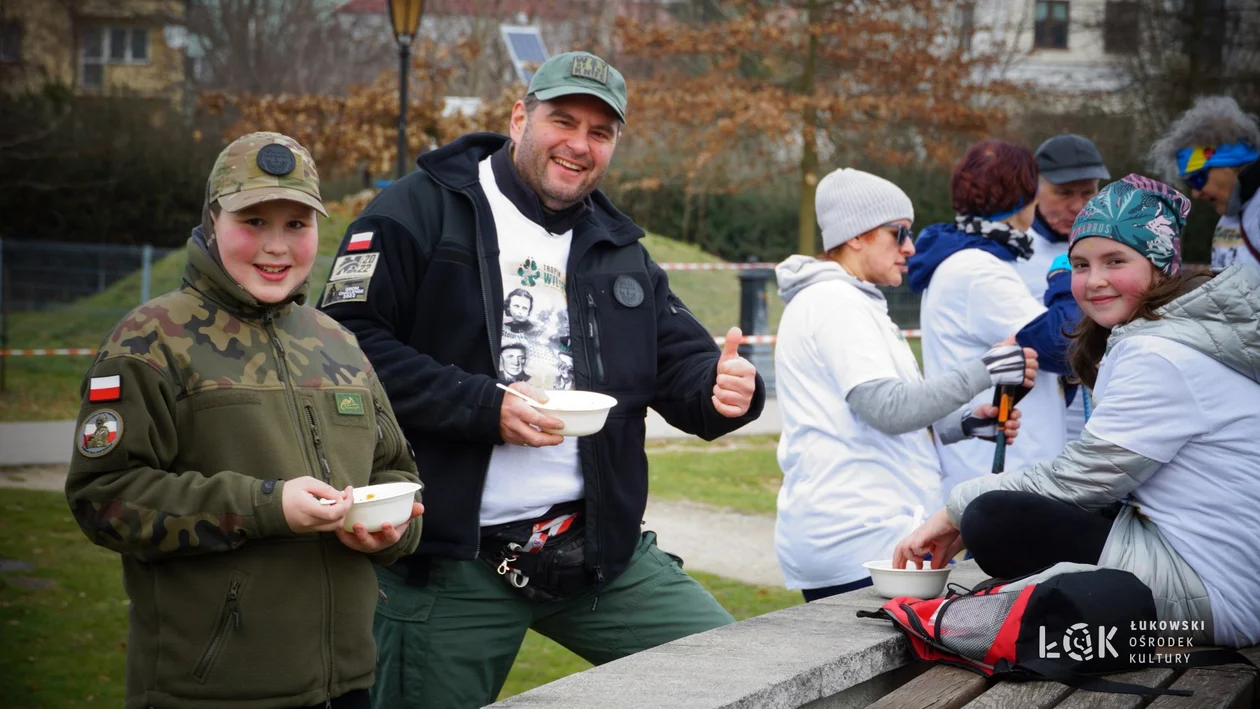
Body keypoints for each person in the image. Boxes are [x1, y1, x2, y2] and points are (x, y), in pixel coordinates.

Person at [318, 51, 766, 708]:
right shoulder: (417, 210)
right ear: (520, 116)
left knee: (748, 678)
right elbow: (345, 348)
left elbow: (684, 368)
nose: (579, 145)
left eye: (600, 131)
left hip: (597, 556)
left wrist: (727, 390)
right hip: (452, 558)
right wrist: (483, 405)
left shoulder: (620, 246)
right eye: (564, 120)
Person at [64, 132, 424, 708]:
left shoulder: (339, 342)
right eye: (253, 221)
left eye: (296, 225)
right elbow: (103, 498)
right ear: (212, 220)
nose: (276, 247)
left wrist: (393, 528)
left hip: (349, 685)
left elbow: (396, 473)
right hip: (212, 692)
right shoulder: (150, 341)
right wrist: (265, 506)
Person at [895, 175, 1260, 648]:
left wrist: (952, 513)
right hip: (1218, 576)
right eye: (1081, 264)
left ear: (1160, 266)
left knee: (991, 518)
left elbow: (1083, 481)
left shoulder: (1158, 352)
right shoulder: (1166, 335)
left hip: (1216, 601)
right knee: (1002, 519)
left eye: (1116, 261)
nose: (1095, 280)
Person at [773, 168, 1038, 602]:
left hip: (874, 538)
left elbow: (878, 415)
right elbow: (890, 410)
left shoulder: (854, 301)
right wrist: (987, 368)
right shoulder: (834, 303)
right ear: (856, 236)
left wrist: (967, 425)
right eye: (898, 233)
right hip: (860, 541)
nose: (910, 248)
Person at [907, 140, 1076, 495]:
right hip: (1001, 475)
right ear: (1026, 198)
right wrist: (1066, 280)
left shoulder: (971, 256)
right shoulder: (978, 270)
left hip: (994, 467)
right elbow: (1062, 342)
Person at [1023, 134, 1110, 440]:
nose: (1077, 205)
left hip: (1104, 425)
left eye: (1088, 192)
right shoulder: (1013, 253)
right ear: (1033, 188)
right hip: (1034, 428)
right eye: (1063, 193)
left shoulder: (1116, 247)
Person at [1149, 95, 1260, 271]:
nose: (1195, 193)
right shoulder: (1230, 217)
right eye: (1190, 184)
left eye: (1197, 180)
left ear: (1230, 166)